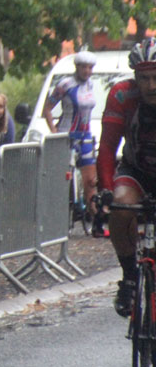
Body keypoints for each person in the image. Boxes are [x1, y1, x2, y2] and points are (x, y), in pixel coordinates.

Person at [97, 38, 156, 317]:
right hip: (136, 170)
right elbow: (107, 147)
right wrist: (105, 190)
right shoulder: (121, 95)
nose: (151, 86)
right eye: (144, 78)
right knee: (121, 207)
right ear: (135, 77)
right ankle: (130, 276)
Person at [42, 50, 99, 231]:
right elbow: (48, 108)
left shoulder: (90, 84)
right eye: (84, 67)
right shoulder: (65, 84)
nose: (87, 71)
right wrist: (54, 130)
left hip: (85, 136)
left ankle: (95, 220)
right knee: (63, 179)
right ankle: (58, 219)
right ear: (77, 67)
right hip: (67, 135)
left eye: (90, 68)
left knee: (91, 181)